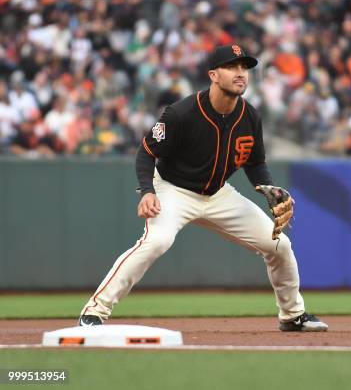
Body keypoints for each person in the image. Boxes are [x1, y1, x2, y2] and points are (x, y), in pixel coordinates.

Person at [78, 44, 328, 332]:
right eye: (231, 67)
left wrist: (268, 188)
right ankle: (95, 311)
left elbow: (256, 162)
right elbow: (146, 152)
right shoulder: (181, 113)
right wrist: (146, 190)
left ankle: (292, 315)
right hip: (173, 190)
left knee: (280, 246)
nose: (240, 73)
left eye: (244, 67)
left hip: (218, 195)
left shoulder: (250, 117)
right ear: (213, 75)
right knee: (156, 242)